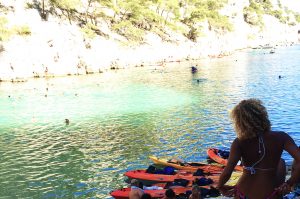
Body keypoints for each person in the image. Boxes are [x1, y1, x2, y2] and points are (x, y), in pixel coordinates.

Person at [217, 99, 300, 199]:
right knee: (281, 162)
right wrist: (289, 183)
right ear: (263, 116)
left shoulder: (239, 142)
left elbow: (227, 172)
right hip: (271, 194)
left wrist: (220, 186)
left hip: (244, 194)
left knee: (281, 163)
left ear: (239, 122)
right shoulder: (282, 137)